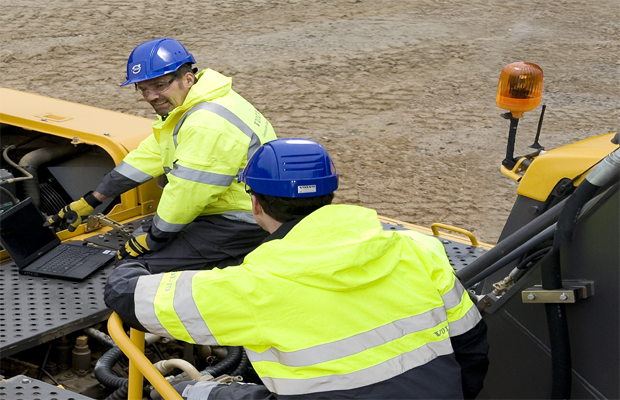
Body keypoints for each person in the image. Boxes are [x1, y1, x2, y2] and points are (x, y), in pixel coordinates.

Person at [104, 138, 489, 399]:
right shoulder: (419, 249)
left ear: (255, 204)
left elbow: (128, 299)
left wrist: (131, 264)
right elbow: (471, 349)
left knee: (196, 391)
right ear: (330, 193)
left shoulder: (254, 285)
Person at [45, 38, 278, 272]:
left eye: (159, 86)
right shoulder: (195, 104)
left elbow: (187, 194)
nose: (150, 97)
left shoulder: (206, 123)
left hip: (244, 220)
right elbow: (151, 154)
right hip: (231, 209)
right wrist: (92, 200)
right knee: (142, 241)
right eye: (143, 88)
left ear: (187, 79)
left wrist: (153, 239)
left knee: (136, 266)